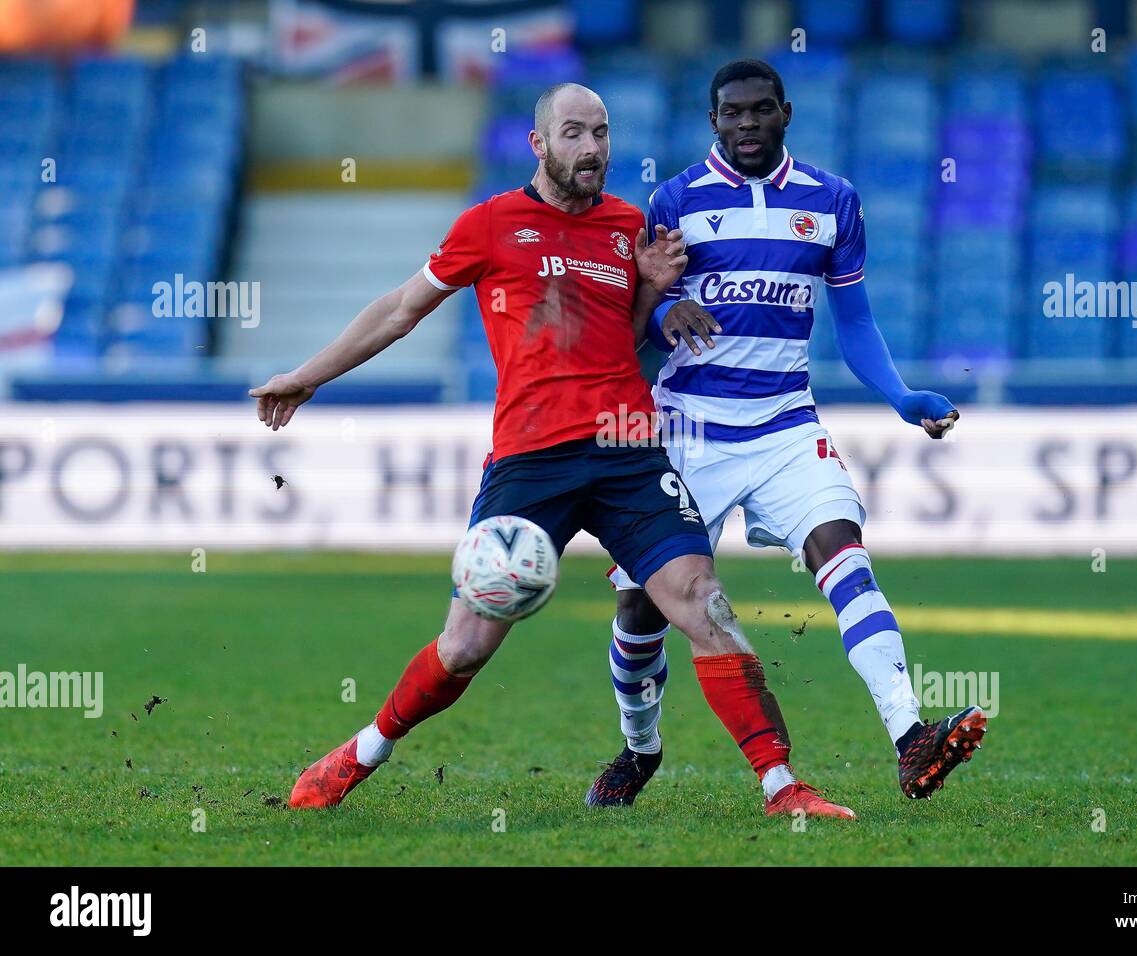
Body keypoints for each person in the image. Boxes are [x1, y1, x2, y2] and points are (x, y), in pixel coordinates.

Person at [250, 82, 855, 819]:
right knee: (466, 645)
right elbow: (401, 309)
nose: (593, 148)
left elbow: (628, 337)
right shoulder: (491, 223)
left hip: (627, 449)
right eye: (574, 134)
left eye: (601, 132)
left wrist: (652, 290)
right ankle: (362, 750)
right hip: (531, 459)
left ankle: (782, 786)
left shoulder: (627, 226)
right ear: (539, 145)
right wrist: (308, 376)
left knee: (706, 604)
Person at [584, 61, 985, 809]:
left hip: (784, 424)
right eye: (731, 113)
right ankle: (640, 751)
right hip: (687, 431)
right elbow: (625, 324)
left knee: (845, 553)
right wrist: (663, 311)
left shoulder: (832, 203)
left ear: (785, 113)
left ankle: (911, 739)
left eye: (760, 111)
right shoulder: (672, 203)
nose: (746, 124)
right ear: (713, 121)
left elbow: (856, 323)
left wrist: (900, 396)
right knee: (642, 609)